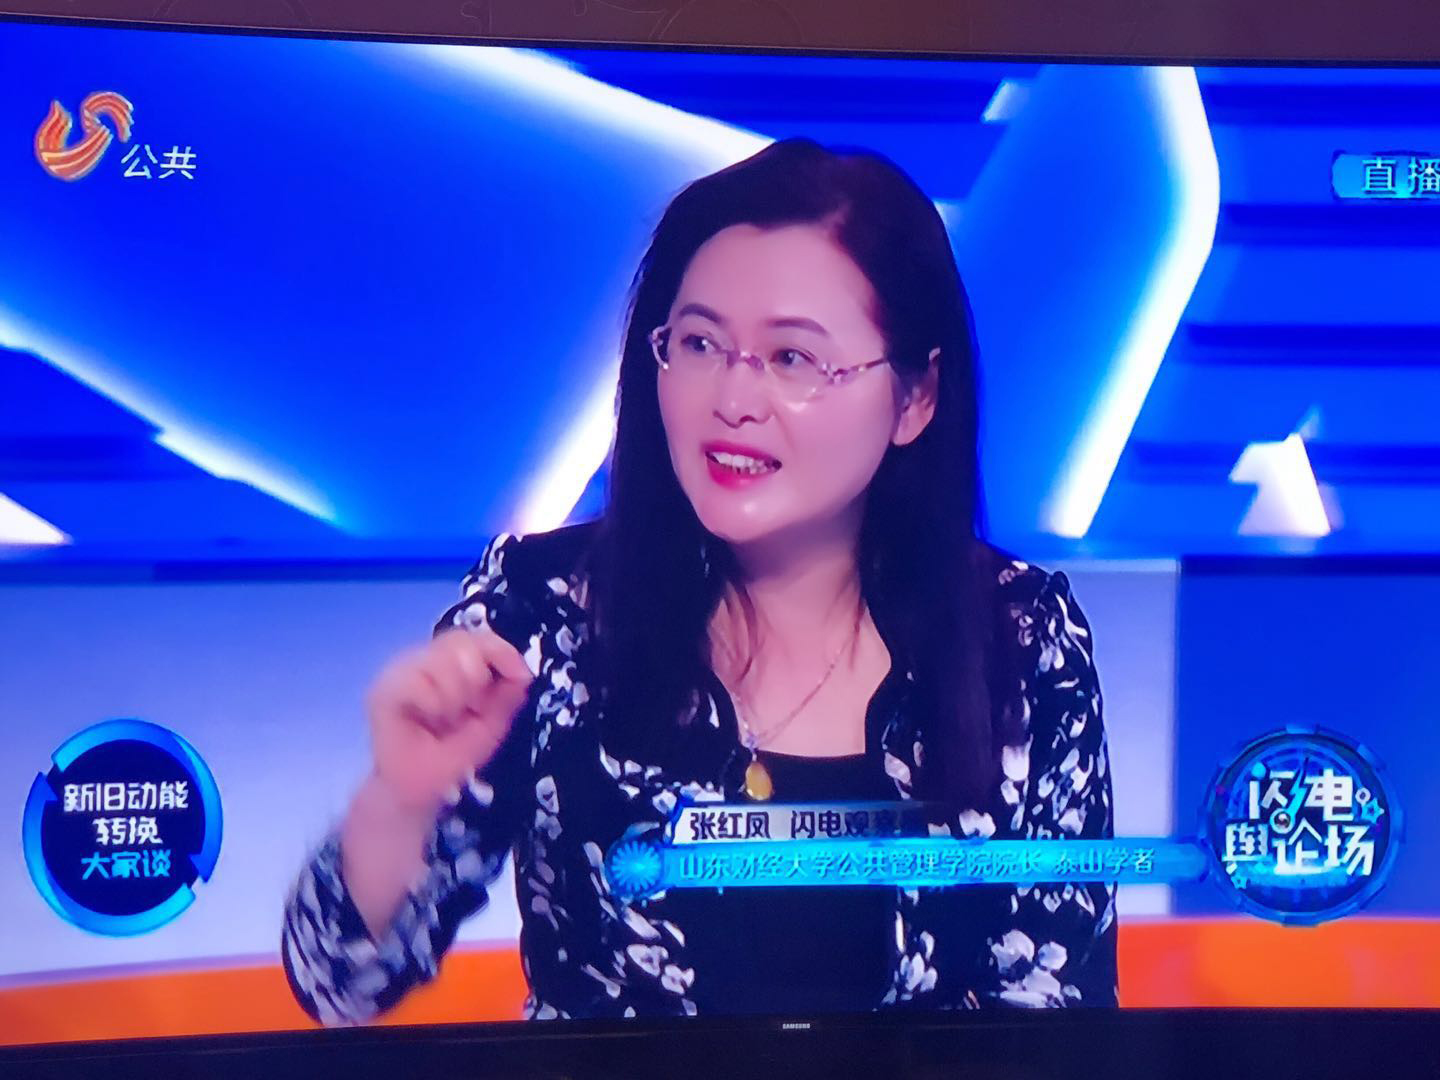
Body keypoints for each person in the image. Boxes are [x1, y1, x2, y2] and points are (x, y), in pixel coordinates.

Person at [281, 137, 1117, 1024]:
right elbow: (339, 987)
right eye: (700, 343)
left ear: (914, 397)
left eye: (792, 358)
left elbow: (1062, 1016)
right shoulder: (544, 617)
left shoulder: (1020, 638)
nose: (732, 400)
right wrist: (398, 801)